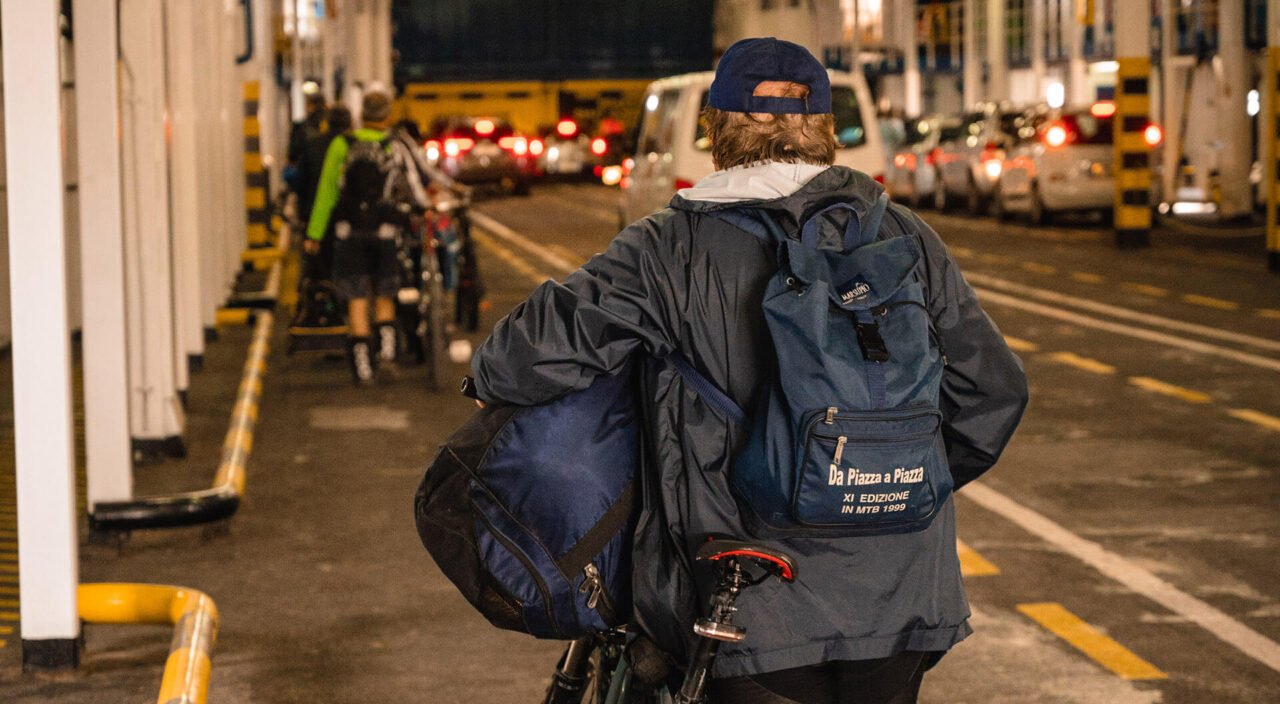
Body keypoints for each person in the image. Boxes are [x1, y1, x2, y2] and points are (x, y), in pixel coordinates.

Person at [469, 38, 1028, 704]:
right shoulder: (905, 237)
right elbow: (993, 392)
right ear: (824, 129)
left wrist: (489, 384)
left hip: (743, 605)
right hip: (904, 598)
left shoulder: (667, 246)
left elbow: (525, 353)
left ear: (716, 129)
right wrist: (880, 482)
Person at [307, 90, 429, 384]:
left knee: (357, 300)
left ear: (361, 115)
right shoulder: (393, 144)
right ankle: (387, 354)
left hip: (349, 232)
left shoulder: (342, 144)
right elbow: (411, 184)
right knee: (384, 295)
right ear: (387, 116)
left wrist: (314, 234)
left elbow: (327, 193)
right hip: (385, 231)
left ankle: (363, 369)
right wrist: (423, 208)